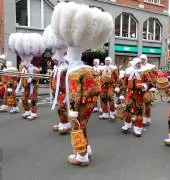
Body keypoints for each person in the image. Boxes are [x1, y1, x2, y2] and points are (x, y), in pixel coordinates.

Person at [50, 2, 113, 166]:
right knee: (83, 126)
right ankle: (87, 148)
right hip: (90, 104)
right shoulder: (89, 69)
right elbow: (96, 87)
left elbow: (75, 94)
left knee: (77, 126)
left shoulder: (75, 72)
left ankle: (81, 156)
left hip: (81, 105)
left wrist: (72, 111)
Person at [120, 58, 152, 137]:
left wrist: (144, 85)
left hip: (140, 93)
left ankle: (138, 128)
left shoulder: (144, 71)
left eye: (140, 63)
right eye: (138, 63)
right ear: (134, 64)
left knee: (139, 111)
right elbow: (124, 83)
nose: (139, 64)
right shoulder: (128, 72)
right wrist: (122, 93)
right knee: (127, 108)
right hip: (130, 93)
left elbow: (149, 81)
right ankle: (127, 124)